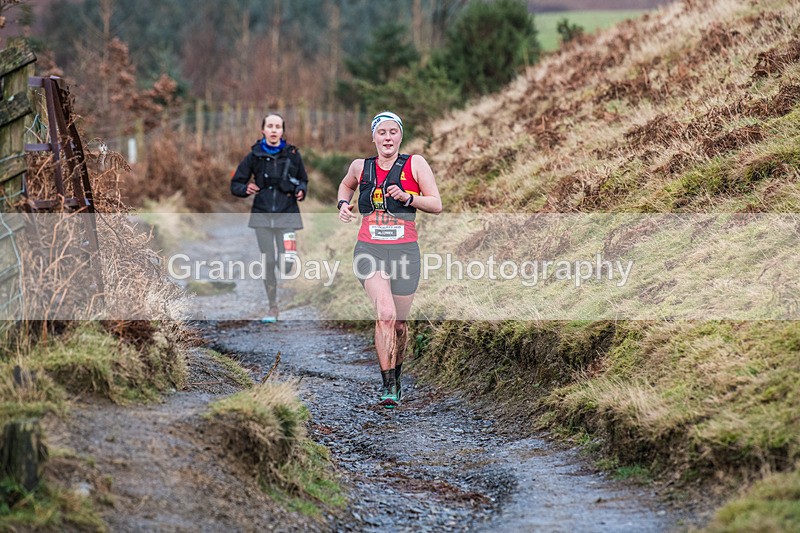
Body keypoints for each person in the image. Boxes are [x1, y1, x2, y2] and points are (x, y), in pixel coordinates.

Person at [337, 111, 442, 408]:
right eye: (381, 132)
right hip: (369, 250)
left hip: (405, 251)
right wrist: (343, 203)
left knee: (399, 325)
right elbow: (346, 185)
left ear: (400, 136)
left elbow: (436, 204)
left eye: (393, 132)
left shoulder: (415, 164)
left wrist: (409, 197)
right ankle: (388, 387)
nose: (387, 137)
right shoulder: (361, 167)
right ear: (373, 137)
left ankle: (397, 372)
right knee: (385, 313)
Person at [231, 113, 308, 322]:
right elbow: (235, 184)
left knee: (286, 263)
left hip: (287, 213)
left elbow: (303, 180)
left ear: (283, 131)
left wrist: (301, 189)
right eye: (270, 126)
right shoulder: (254, 156)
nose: (274, 130)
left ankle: (290, 258)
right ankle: (273, 307)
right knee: (269, 261)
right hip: (262, 214)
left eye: (278, 127)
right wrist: (245, 188)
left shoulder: (292, 154)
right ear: (263, 130)